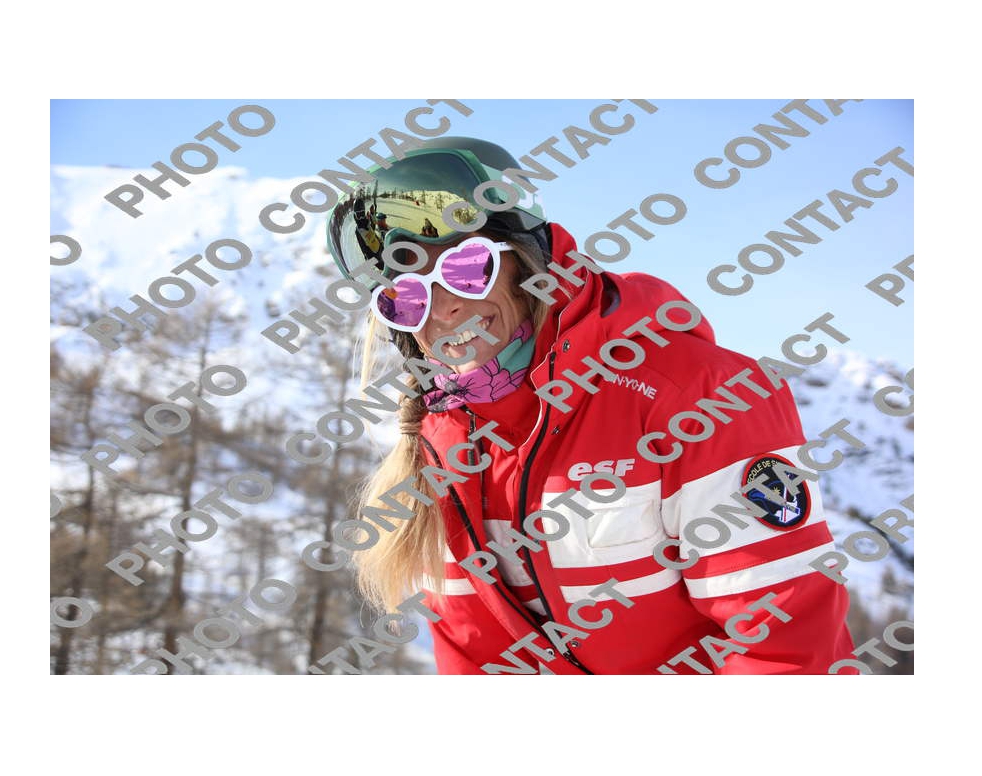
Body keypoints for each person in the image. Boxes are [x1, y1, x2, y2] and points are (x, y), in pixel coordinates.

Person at [327, 136, 852, 674]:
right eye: (408, 299)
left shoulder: (702, 396)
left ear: (526, 261)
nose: (444, 309)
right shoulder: (444, 444)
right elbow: (476, 656)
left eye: (465, 269)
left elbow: (785, 647)